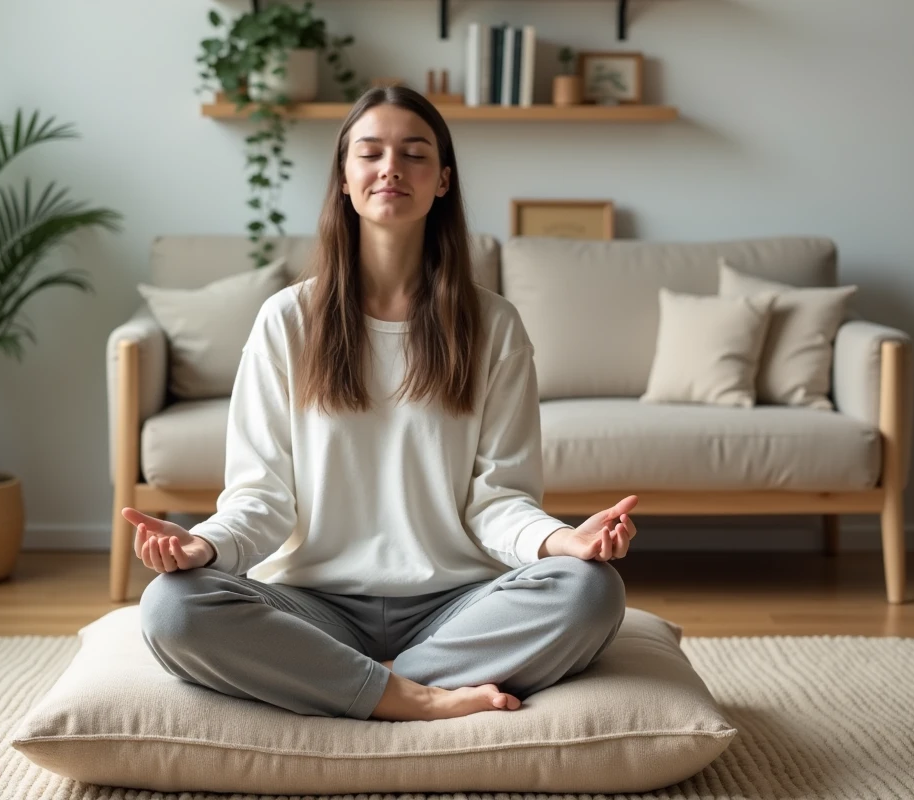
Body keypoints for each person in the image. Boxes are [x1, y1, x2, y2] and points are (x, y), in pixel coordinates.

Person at [125, 85, 637, 723]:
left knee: (590, 592)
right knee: (172, 608)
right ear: (344, 177)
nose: (390, 167)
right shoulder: (287, 320)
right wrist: (204, 547)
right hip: (313, 604)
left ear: (443, 180)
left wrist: (563, 540)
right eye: (370, 153)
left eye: (414, 154)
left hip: (458, 603)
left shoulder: (494, 324)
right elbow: (260, 496)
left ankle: (361, 684)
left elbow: (499, 499)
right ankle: (416, 696)